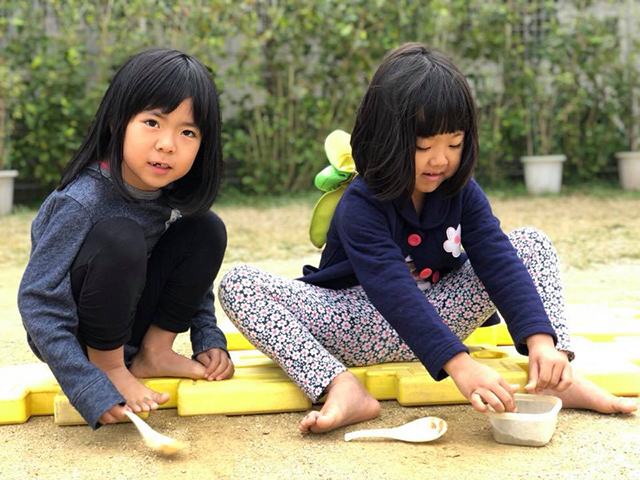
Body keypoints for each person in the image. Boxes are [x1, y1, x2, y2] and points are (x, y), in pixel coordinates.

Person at [218, 43, 637, 434]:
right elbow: (391, 287)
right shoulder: (361, 203)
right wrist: (460, 365)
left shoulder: (461, 190)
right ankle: (338, 385)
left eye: (454, 143)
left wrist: (542, 341)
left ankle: (554, 374)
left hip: (443, 315)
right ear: (385, 140)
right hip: (353, 323)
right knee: (238, 284)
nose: (441, 159)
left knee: (530, 244)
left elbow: (496, 257)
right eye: (423, 146)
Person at [19, 49, 234, 429]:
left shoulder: (170, 198)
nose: (167, 144)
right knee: (121, 236)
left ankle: (155, 351)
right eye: (152, 122)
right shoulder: (80, 201)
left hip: (133, 322)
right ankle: (110, 365)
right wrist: (86, 383)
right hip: (83, 340)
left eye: (187, 132)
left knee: (205, 228)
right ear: (117, 121)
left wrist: (207, 335)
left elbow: (191, 281)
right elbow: (39, 300)